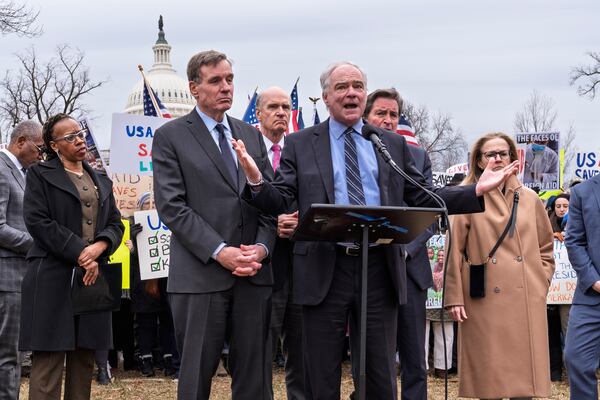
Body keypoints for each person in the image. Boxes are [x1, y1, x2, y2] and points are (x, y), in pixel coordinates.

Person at [232, 61, 518, 399]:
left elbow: (422, 195)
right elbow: (279, 198)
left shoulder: (389, 145)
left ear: (364, 96)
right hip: (325, 267)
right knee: (319, 375)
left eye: (357, 86)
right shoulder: (301, 143)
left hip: (379, 268)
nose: (350, 92)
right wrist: (255, 178)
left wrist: (475, 191)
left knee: (380, 377)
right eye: (341, 87)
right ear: (326, 97)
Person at [152, 50, 276, 400]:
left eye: (230, 79)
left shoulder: (251, 136)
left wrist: (263, 249)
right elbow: (173, 207)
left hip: (253, 275)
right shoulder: (171, 136)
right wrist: (220, 252)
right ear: (194, 88)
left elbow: (269, 202)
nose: (226, 88)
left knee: (255, 379)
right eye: (215, 81)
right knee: (195, 378)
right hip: (200, 277)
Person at [20, 113, 124, 400]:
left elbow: (115, 223)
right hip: (53, 277)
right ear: (54, 146)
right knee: (49, 361)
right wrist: (81, 252)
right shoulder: (39, 175)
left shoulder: (101, 180)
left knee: (84, 357)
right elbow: (38, 222)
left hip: (92, 279)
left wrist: (100, 247)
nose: (80, 140)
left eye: (80, 134)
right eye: (70, 137)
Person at [444, 132, 555, 399]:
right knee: (489, 384)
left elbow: (546, 247)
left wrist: (540, 280)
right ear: (479, 162)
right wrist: (454, 297)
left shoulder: (529, 198)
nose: (496, 159)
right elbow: (453, 251)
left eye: (502, 153)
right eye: (490, 154)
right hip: (483, 301)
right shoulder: (467, 197)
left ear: (513, 157)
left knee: (524, 387)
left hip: (525, 297)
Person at [363, 88, 434, 400]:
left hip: (409, 268)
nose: (388, 121)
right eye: (381, 113)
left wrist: (405, 246)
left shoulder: (416, 155)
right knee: (374, 358)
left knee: (414, 357)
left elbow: (430, 210)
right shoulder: (355, 153)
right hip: (371, 268)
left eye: (394, 114)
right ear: (366, 116)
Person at [255, 87, 305, 399]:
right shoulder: (243, 153)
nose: (281, 112)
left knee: (302, 355)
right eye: (273, 106)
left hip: (301, 268)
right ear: (258, 113)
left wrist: (301, 225)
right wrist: (273, 226)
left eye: (286, 106)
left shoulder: (301, 152)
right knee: (258, 353)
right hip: (261, 270)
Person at [0, 120, 43, 400]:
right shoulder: (2, 171)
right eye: (38, 148)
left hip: (19, 277)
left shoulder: (22, 173)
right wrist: (38, 245)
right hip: (8, 277)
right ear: (21, 142)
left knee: (13, 355)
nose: (41, 154)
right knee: (8, 356)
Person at [563, 176, 600, 399]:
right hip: (591, 295)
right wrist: (593, 280)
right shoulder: (582, 192)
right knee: (576, 357)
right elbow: (574, 241)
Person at [545, 192, 570, 381]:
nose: (561, 209)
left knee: (568, 331)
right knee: (551, 332)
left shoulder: (579, 224)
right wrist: (550, 236)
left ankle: (571, 372)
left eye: (565, 206)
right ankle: (554, 373)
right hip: (549, 290)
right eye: (558, 206)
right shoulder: (546, 226)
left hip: (568, 292)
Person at [425, 247, 454, 379]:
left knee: (446, 330)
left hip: (446, 291)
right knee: (421, 330)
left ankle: (442, 366)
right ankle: (421, 366)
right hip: (424, 290)